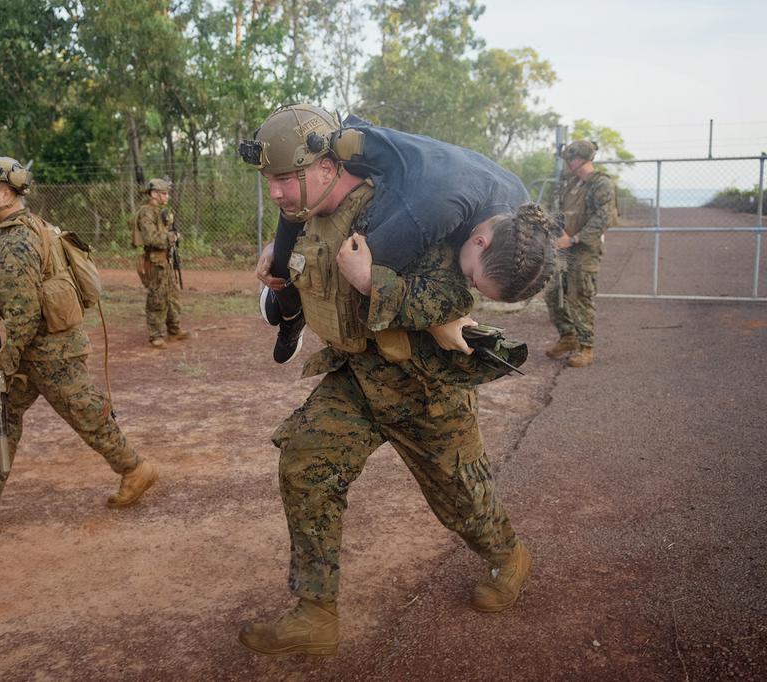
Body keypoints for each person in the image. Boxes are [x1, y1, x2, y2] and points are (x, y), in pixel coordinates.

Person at [236, 105, 554, 656]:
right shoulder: (315, 207)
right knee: (306, 463)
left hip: (425, 388)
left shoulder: (418, 214)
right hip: (358, 375)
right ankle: (315, 612)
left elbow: (454, 298)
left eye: (285, 180)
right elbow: (306, 254)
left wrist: (376, 282)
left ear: (328, 166)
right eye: (271, 182)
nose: (279, 194)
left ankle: (508, 555)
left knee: (461, 500)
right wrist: (278, 258)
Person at [0, 156, 157, 530]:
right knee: (0, 410)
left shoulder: (15, 240)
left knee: (85, 414)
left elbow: (24, 314)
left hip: (49, 352)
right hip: (41, 348)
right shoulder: (26, 228)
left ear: (3, 193)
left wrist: (6, 361)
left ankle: (136, 469)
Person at [253, 107, 551, 364]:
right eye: (474, 279)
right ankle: (291, 312)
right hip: (351, 150)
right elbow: (355, 268)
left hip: (417, 172)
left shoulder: (521, 215)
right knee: (302, 208)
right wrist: (438, 321)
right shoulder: (432, 213)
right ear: (480, 241)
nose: (469, 284)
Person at [544, 140, 618, 367]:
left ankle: (586, 348)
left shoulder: (601, 184)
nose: (567, 163)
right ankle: (568, 337)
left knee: (580, 298)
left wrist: (574, 239)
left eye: (570, 158)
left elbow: (605, 217)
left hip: (584, 251)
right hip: (564, 249)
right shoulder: (572, 183)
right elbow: (561, 212)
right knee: (553, 293)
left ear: (580, 159)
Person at [133, 178, 190, 348]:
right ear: (153, 194)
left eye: (167, 193)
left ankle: (174, 329)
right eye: (164, 194)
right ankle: (156, 335)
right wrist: (171, 237)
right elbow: (150, 238)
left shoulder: (161, 212)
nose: (167, 197)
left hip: (167, 260)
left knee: (172, 295)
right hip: (155, 261)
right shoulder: (146, 213)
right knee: (157, 299)